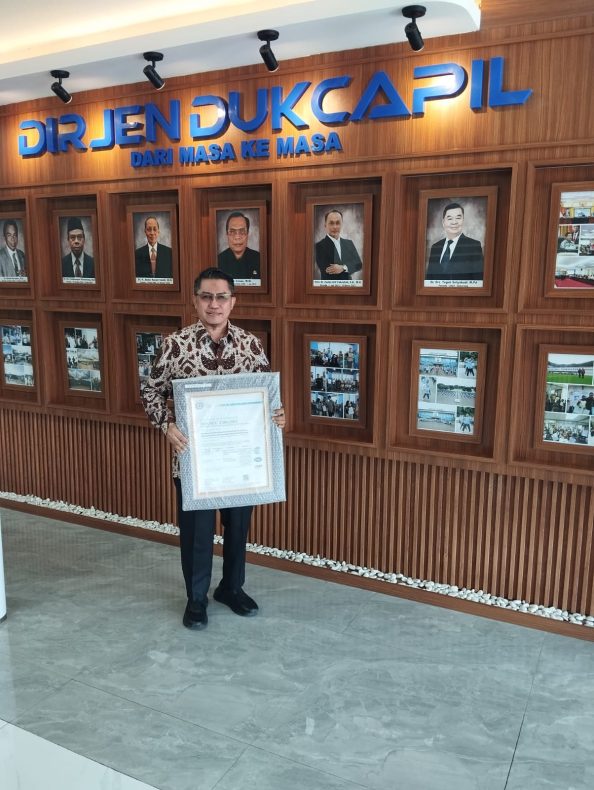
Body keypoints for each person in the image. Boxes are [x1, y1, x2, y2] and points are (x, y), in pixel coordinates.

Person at [142, 267, 285, 631]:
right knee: (197, 533)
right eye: (206, 296)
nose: (214, 304)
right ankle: (196, 599)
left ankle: (231, 588)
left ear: (232, 302)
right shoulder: (175, 345)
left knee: (238, 528)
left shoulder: (251, 345)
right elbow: (150, 391)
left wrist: (278, 415)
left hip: (240, 460)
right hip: (195, 461)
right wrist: (166, 425)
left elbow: (266, 397)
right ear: (195, 301)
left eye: (221, 297)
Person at [425, 202, 484, 281]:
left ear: (463, 220)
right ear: (443, 222)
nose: (454, 222)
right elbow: (429, 279)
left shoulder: (473, 246)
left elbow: (478, 280)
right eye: (450, 218)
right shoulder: (435, 247)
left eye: (458, 218)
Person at [315, 209, 362, 281]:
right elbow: (327, 269)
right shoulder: (318, 246)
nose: (335, 227)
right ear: (325, 225)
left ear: (341, 224)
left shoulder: (349, 243)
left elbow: (358, 264)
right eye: (331, 223)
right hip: (329, 287)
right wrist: (348, 266)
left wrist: (342, 268)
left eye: (338, 223)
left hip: (349, 286)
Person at [217, 212, 260, 280]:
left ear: (248, 233)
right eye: (232, 232)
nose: (237, 237)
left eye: (242, 231)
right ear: (227, 234)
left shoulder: (259, 259)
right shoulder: (218, 261)